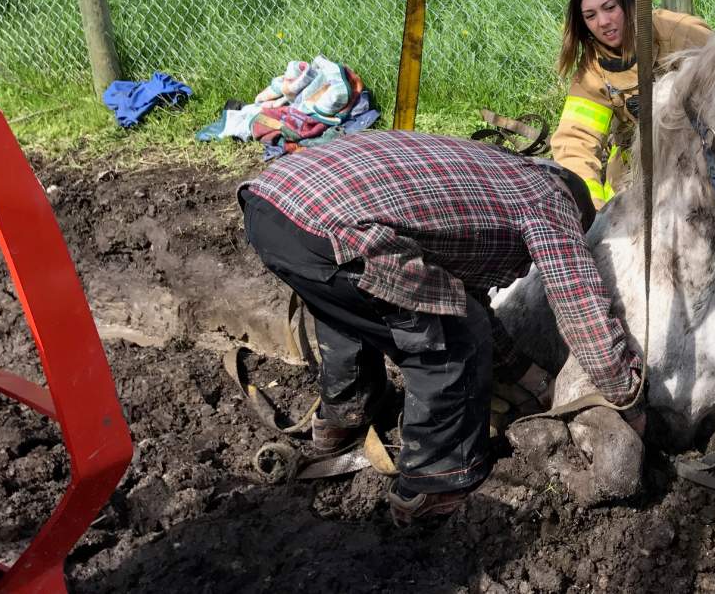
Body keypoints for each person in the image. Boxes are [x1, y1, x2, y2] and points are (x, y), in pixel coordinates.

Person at [239, 130, 646, 526]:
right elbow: (579, 304)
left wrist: (531, 379)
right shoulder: (550, 200)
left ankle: (344, 416)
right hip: (332, 231)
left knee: (351, 306)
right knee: (455, 336)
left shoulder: (492, 173)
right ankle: (434, 483)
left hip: (272, 203)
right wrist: (624, 395)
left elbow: (464, 291)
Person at [551, 0, 712, 208]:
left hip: (703, 159)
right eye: (590, 16)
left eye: (610, 8)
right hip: (636, 173)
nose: (603, 22)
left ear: (629, 3)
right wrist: (590, 210)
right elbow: (574, 143)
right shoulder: (592, 72)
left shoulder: (679, 33)